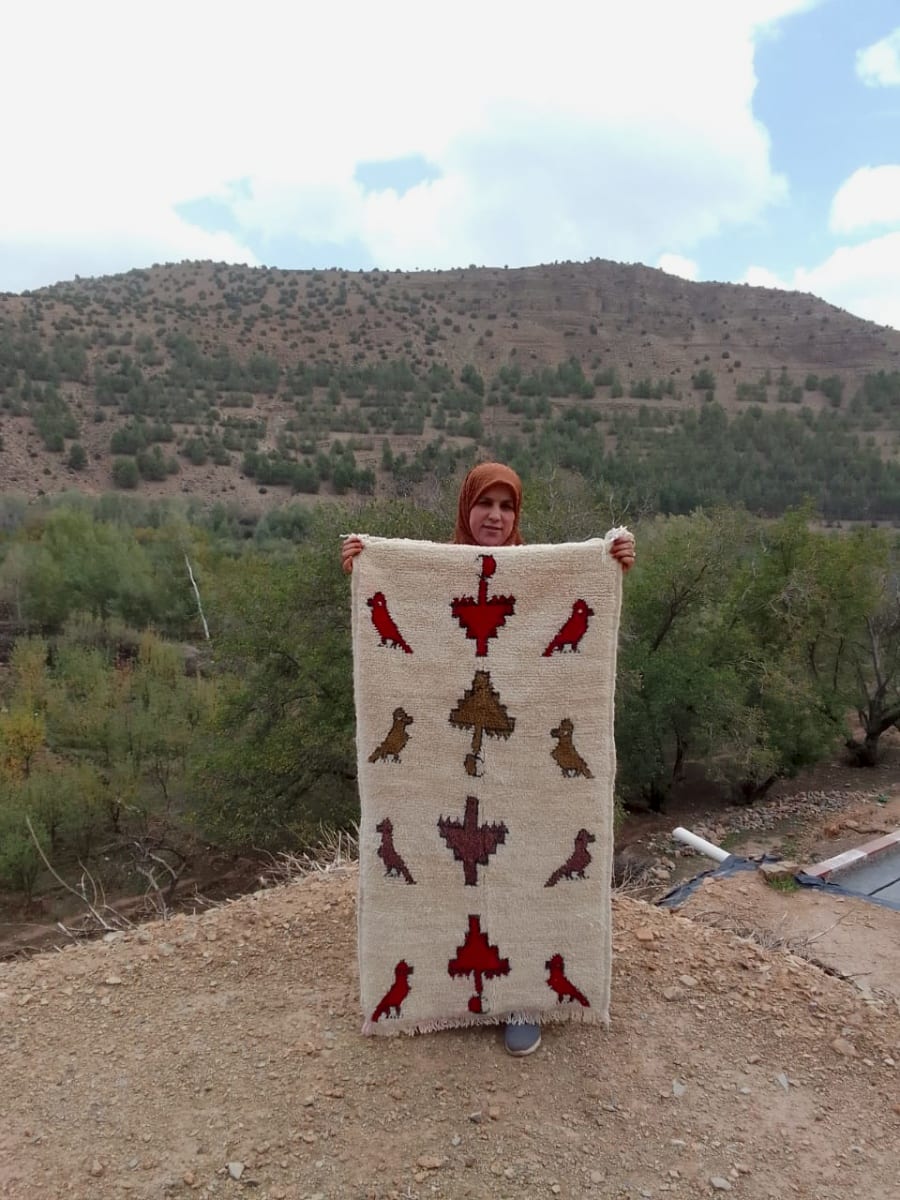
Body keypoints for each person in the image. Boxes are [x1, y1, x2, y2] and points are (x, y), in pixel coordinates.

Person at [342, 462, 635, 1056]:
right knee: (442, 881)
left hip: (525, 775)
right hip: (445, 770)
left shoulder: (540, 577)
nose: (495, 516)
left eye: (507, 506)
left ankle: (522, 997)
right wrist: (363, 560)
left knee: (524, 873)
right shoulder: (430, 573)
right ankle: (441, 994)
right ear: (466, 508)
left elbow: (557, 657)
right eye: (485, 504)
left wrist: (614, 556)